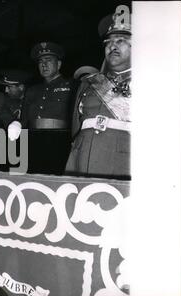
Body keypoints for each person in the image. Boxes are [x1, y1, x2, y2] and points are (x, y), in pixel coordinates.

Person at [65, 10, 132, 179]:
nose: (112, 46)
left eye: (121, 40)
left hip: (122, 159)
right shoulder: (89, 82)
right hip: (82, 156)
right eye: (108, 42)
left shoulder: (151, 82)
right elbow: (76, 127)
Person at [23, 42, 74, 130]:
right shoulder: (32, 90)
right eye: (41, 61)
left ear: (58, 64)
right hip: (33, 138)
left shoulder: (72, 87)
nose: (44, 64)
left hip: (61, 139)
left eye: (48, 60)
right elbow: (23, 120)